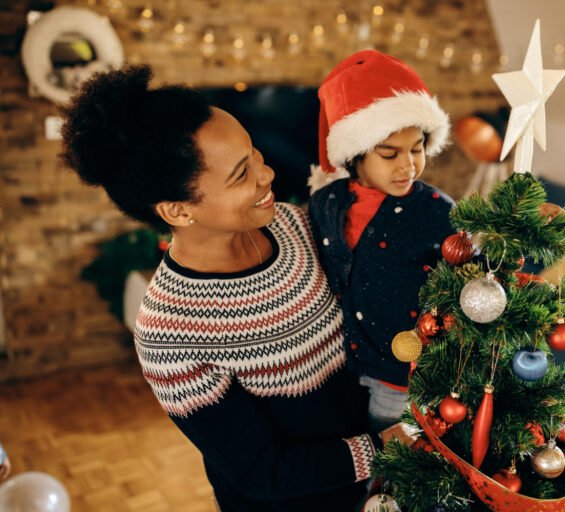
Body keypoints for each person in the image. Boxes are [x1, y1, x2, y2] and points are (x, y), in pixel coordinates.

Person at [60, 65, 407, 512]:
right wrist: (381, 448)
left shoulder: (297, 224)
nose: (266, 175)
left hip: (382, 486)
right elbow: (264, 472)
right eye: (241, 175)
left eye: (254, 153)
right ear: (179, 211)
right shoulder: (170, 332)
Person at [308, 50, 456, 433]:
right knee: (349, 447)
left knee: (390, 459)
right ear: (355, 157)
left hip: (399, 374)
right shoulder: (326, 203)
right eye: (389, 154)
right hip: (339, 363)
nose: (407, 165)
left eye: (417, 149)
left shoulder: (438, 212)